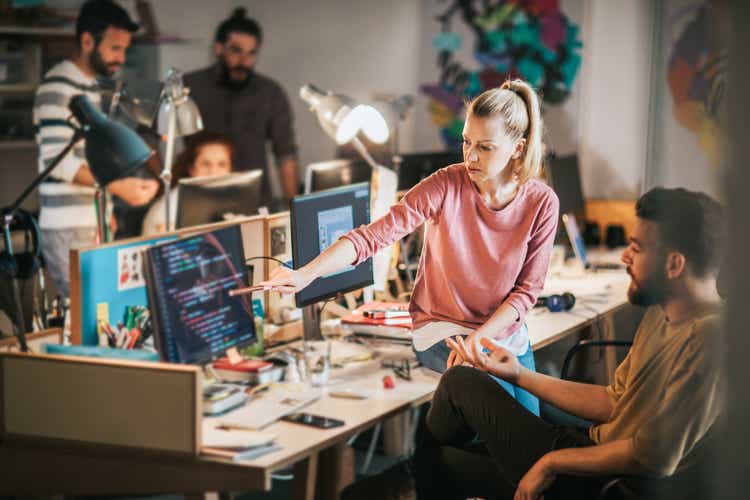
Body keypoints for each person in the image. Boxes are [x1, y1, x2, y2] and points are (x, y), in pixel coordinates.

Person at [259, 79, 559, 416]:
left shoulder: (542, 202)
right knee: (507, 418)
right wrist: (305, 274)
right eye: (466, 142)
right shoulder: (446, 183)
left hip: (502, 334)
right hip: (442, 329)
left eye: (485, 147)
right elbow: (372, 237)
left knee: (531, 430)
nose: (471, 156)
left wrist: (481, 339)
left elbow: (526, 292)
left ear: (517, 148)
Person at [414, 187, 725, 499]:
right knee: (442, 447)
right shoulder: (664, 310)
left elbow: (652, 457)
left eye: (637, 247)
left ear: (674, 265)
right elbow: (613, 402)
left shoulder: (710, 340)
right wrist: (518, 375)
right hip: (600, 445)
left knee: (452, 405)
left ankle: (429, 459)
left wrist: (551, 462)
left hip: (610, 482)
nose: (624, 256)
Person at [33, 0, 158, 296]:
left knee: (103, 312)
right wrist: (119, 186)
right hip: (67, 227)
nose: (121, 58)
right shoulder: (58, 88)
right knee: (85, 314)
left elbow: (91, 158)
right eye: (115, 48)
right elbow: (60, 163)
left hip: (90, 221)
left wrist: (104, 210)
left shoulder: (89, 86)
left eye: (125, 50)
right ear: (87, 40)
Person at [184, 7, 299, 211]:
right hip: (199, 204)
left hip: (257, 204)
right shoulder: (190, 87)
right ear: (219, 48)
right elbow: (149, 137)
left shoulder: (270, 92)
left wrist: (296, 211)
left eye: (251, 53)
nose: (244, 61)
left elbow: (286, 155)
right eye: (236, 51)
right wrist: (161, 187)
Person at [142, 131, 234, 235]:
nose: (213, 172)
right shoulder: (166, 211)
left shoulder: (232, 201)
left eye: (222, 165)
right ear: (191, 169)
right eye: (205, 164)